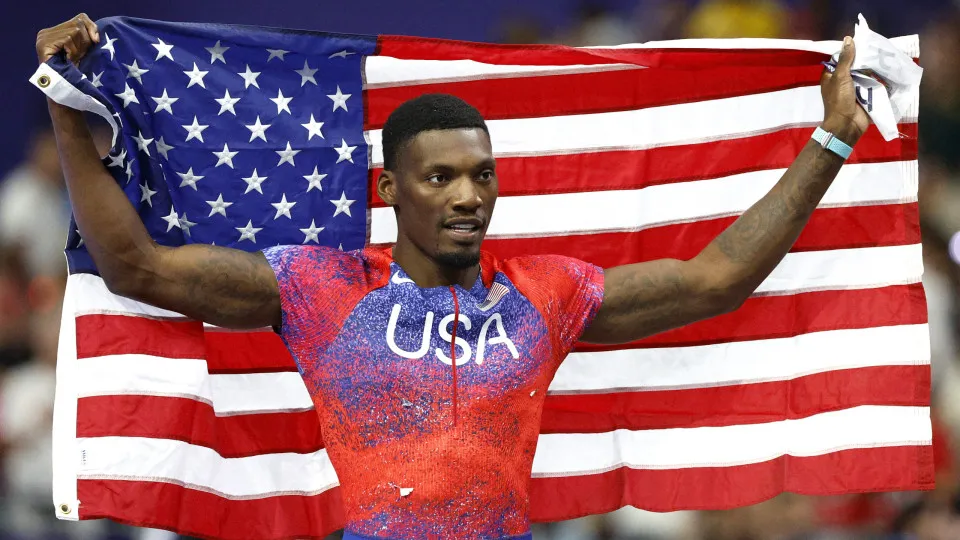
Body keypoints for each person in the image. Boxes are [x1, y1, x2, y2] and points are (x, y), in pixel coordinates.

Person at [36, 13, 869, 540]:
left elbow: (715, 280)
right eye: (440, 178)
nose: (469, 196)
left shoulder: (545, 295)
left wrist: (831, 139)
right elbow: (135, 267)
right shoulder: (320, 288)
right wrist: (66, 106)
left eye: (482, 176)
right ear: (390, 190)